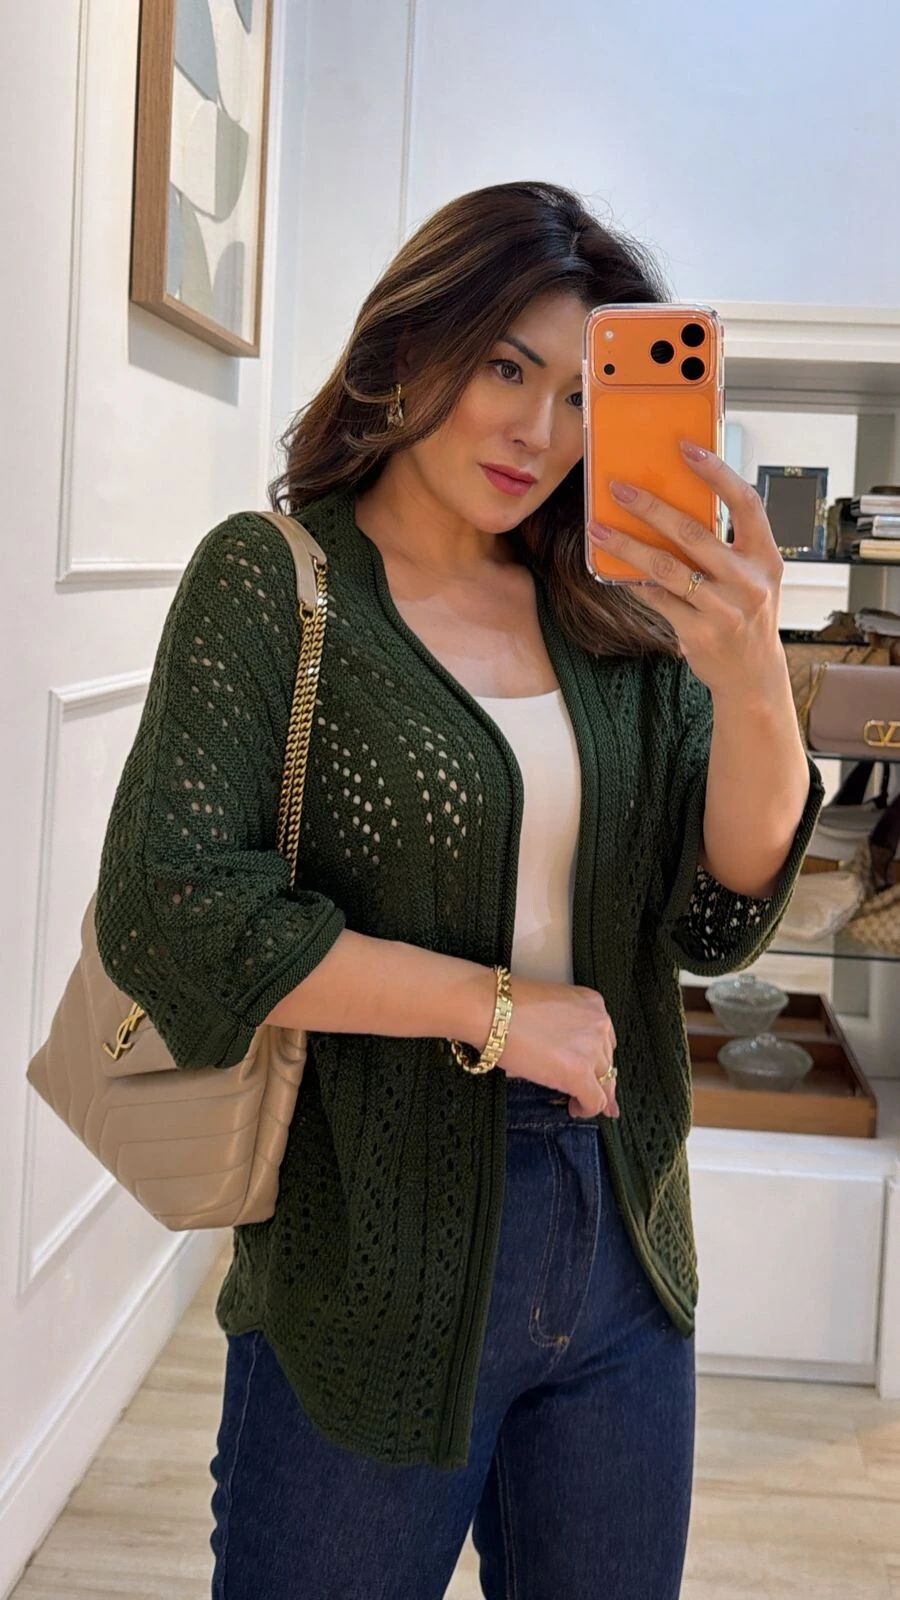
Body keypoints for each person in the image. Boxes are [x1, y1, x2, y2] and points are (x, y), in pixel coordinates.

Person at [95, 180, 824, 1599]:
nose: (540, 432)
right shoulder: (276, 581)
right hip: (367, 1254)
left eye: (580, 395)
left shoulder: (615, 609)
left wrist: (751, 680)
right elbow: (167, 903)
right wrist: (493, 1009)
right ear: (412, 342)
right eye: (506, 368)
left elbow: (722, 915)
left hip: (622, 1248)